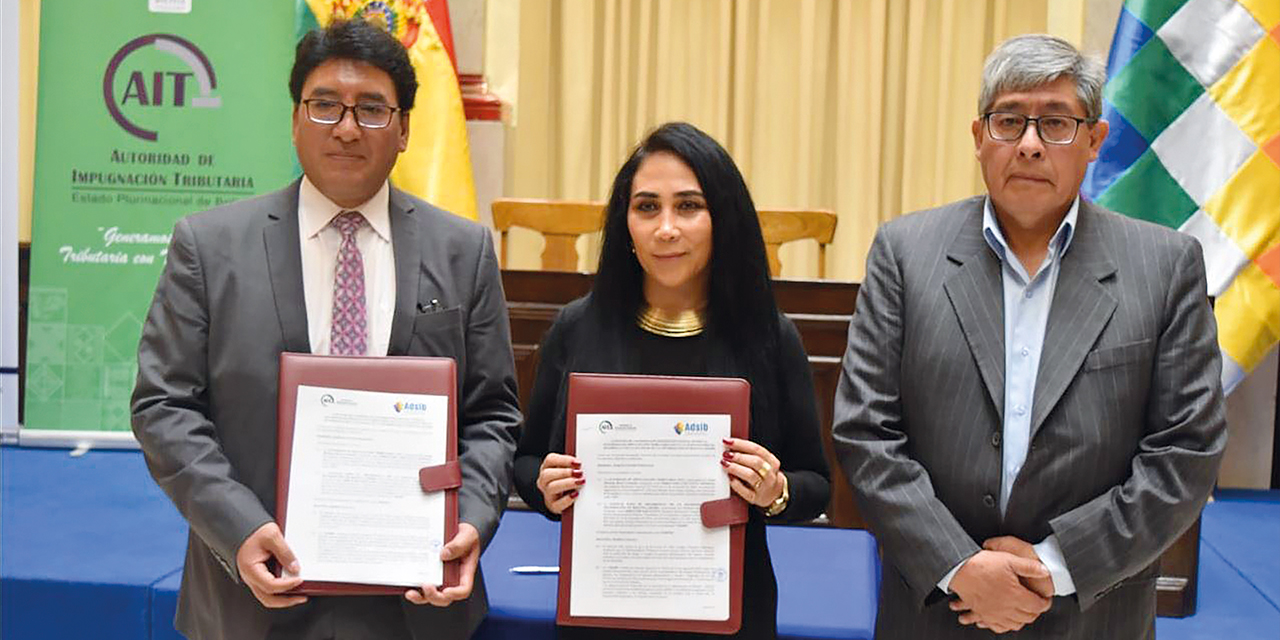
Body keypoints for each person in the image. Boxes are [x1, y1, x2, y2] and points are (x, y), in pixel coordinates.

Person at [130, 19, 520, 640]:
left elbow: (494, 415)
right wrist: (239, 530)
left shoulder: (463, 251)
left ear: (404, 130)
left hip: (418, 603)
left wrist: (470, 521)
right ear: (294, 120)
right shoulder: (209, 247)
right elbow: (163, 407)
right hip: (252, 599)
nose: (345, 127)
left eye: (371, 109)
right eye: (324, 106)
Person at [832, 33, 1227, 639]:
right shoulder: (905, 254)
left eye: (1057, 123)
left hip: (1092, 615)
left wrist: (1052, 565)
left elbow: (1185, 453)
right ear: (979, 138)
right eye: (1010, 120)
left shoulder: (1165, 266)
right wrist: (960, 565)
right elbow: (866, 431)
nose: (1031, 145)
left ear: (1094, 141)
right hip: (936, 609)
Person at [513, 122, 831, 639]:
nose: (666, 228)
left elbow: (817, 486)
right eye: (646, 207)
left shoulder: (770, 336)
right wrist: (546, 490)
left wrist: (774, 491)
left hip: (730, 613)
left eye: (687, 206)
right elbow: (527, 463)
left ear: (722, 219)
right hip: (604, 609)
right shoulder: (578, 326)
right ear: (625, 225)